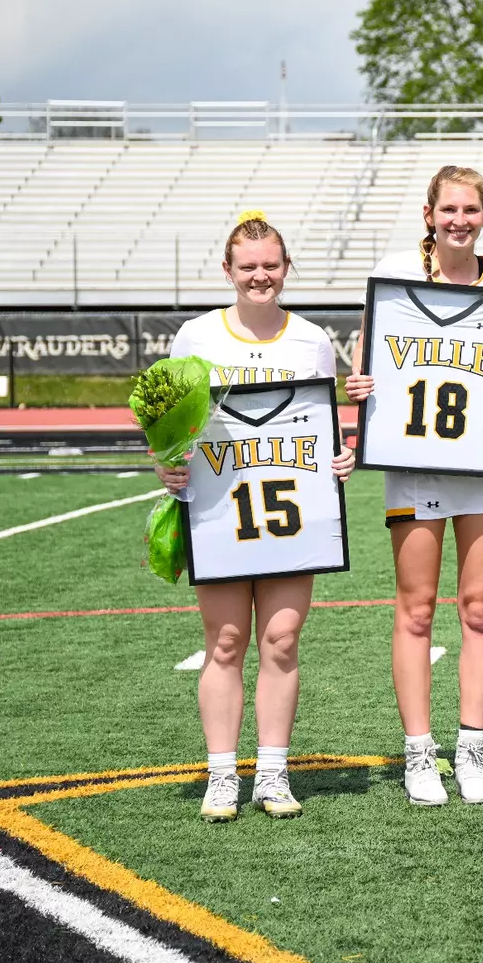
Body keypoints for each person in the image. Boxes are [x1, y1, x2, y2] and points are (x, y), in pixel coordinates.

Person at [344, 166, 483, 807]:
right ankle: (420, 753)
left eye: (470, 210)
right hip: (414, 462)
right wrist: (360, 381)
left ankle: (472, 749)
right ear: (429, 213)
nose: (459, 220)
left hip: (482, 467)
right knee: (417, 608)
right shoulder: (396, 271)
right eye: (448, 209)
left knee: (480, 609)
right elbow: (366, 349)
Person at [159, 212, 356, 822]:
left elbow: (323, 421)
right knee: (224, 642)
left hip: (293, 513)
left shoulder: (312, 339)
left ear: (286, 267)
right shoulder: (195, 336)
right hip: (221, 513)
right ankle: (222, 774)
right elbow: (168, 424)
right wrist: (166, 464)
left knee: (281, 640)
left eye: (271, 264)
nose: (260, 276)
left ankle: (272, 771)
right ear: (228, 270)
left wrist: (340, 456)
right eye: (248, 266)